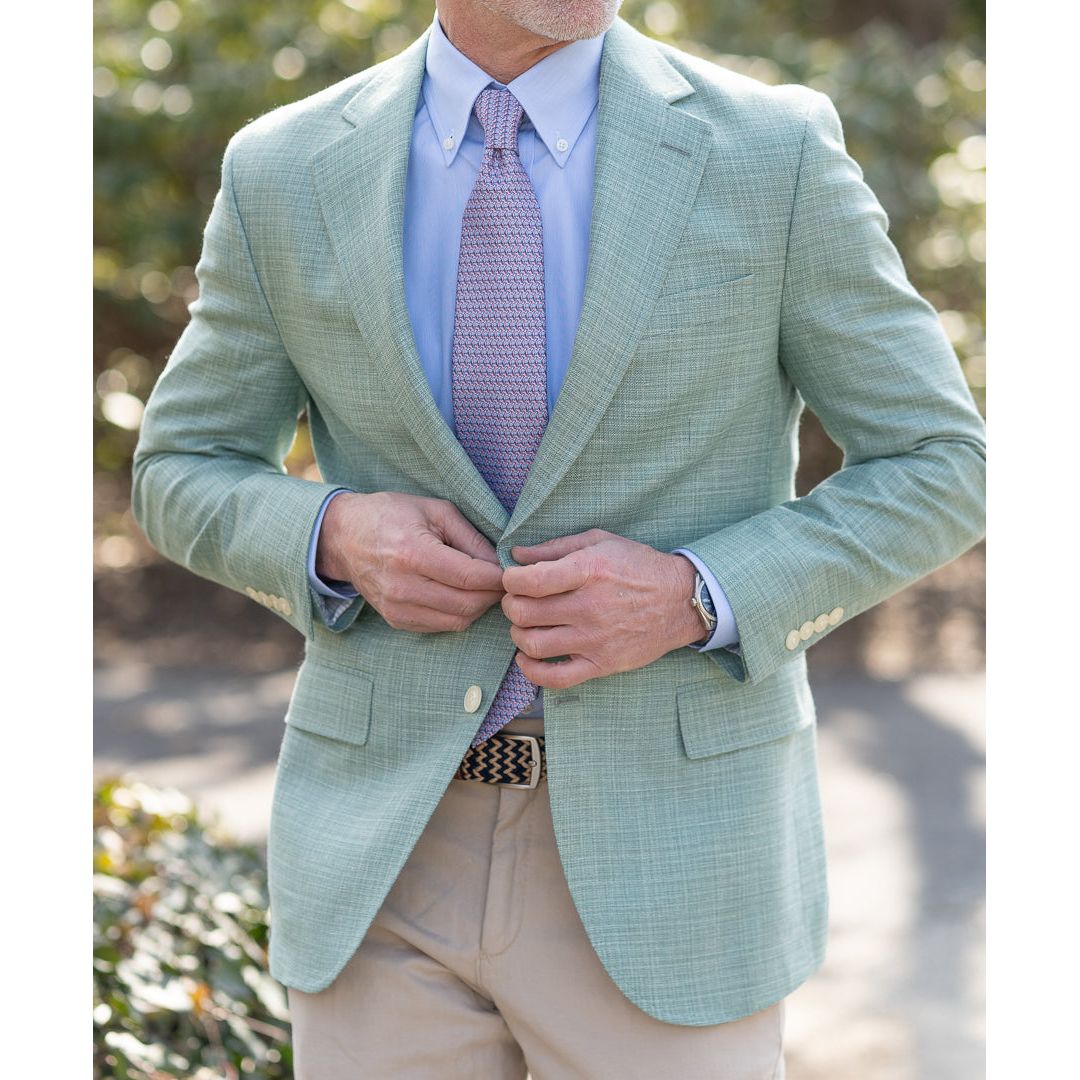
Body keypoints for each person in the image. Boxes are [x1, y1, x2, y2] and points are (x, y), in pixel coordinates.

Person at [131, 0, 986, 1075]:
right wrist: (334, 534)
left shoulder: (772, 152)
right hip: (381, 860)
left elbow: (942, 461)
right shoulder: (285, 167)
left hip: (674, 862)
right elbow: (180, 466)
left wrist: (697, 594)